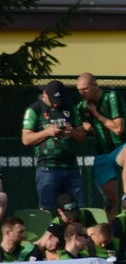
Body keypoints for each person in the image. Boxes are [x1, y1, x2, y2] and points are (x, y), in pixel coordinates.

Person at [75, 73, 126, 220]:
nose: (82, 93)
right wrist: (84, 126)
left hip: (120, 148)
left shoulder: (111, 97)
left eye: (85, 89)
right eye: (79, 90)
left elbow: (118, 129)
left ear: (95, 85)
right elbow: (79, 124)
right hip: (102, 154)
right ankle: (112, 235)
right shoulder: (81, 106)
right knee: (110, 202)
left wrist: (96, 114)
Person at [22, 79, 86, 210]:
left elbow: (82, 136)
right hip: (48, 168)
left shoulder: (70, 107)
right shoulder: (35, 109)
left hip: (71, 167)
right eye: (53, 100)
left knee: (78, 208)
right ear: (44, 93)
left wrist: (72, 132)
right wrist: (48, 132)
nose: (57, 104)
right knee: (47, 208)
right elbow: (26, 139)